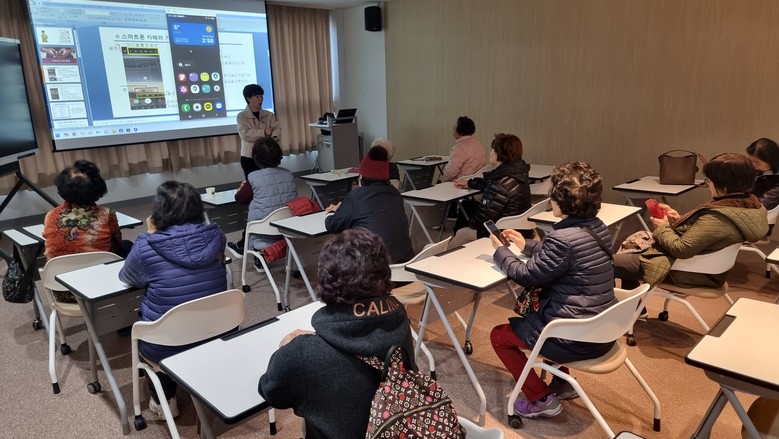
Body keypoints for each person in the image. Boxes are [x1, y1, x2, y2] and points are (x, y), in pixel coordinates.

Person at [258, 228, 416, 439]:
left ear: (325, 280)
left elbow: (271, 392)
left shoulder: (301, 354)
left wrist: (286, 349)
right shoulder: (399, 320)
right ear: (385, 273)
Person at [490, 162, 616, 419]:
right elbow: (570, 256)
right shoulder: (597, 227)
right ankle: (562, 383)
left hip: (574, 340)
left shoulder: (562, 239)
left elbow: (526, 275)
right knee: (556, 311)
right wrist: (526, 245)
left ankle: (540, 398)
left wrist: (500, 251)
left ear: (562, 200)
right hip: (603, 330)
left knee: (499, 336)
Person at [119, 181, 227, 419]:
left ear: (159, 210)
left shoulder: (146, 245)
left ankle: (164, 401)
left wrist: (149, 234)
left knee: (152, 338)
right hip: (217, 330)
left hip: (166, 343)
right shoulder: (217, 236)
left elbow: (127, 277)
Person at [613, 153, 768, 289]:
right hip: (710, 267)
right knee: (631, 246)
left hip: (687, 270)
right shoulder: (746, 207)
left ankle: (611, 307)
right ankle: (634, 304)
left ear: (724, 185)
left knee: (605, 263)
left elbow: (681, 249)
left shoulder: (718, 217)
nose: (708, 184)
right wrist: (679, 220)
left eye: (709, 180)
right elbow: (707, 234)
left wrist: (663, 227)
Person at [43, 160, 125, 302]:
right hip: (101, 289)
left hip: (62, 292)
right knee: (129, 247)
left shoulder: (51, 216)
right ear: (98, 188)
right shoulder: (107, 215)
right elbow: (118, 245)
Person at [324, 146, 414, 263]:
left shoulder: (355, 197)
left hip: (374, 266)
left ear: (361, 177)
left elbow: (333, 226)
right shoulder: (395, 194)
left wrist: (332, 211)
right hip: (405, 263)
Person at [448, 133, 532, 249]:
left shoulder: (499, 183)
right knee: (469, 206)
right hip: (522, 229)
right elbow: (489, 183)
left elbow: (481, 221)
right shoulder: (517, 173)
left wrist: (469, 222)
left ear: (500, 154)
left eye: (493, 150)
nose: (491, 152)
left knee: (462, 232)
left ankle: (446, 256)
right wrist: (469, 183)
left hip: (501, 233)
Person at [227, 137, 297, 258]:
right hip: (288, 226)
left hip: (263, 230)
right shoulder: (288, 174)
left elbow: (240, 199)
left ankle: (245, 248)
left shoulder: (253, 178)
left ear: (256, 158)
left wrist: (241, 188)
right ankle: (257, 256)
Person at [236, 84, 281, 178]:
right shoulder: (241, 116)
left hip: (267, 155)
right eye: (257, 96)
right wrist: (264, 132)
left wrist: (272, 139)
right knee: (253, 182)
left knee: (269, 180)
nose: (260, 99)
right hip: (248, 156)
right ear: (248, 98)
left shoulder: (269, 114)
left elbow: (276, 128)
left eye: (261, 96)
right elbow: (245, 134)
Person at [440, 116, 487, 182]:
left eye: (454, 128)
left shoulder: (459, 148)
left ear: (460, 131)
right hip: (477, 182)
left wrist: (442, 182)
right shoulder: (479, 144)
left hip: (461, 183)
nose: (452, 130)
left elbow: (450, 173)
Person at [746, 137, 779, 210]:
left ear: (770, 160)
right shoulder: (757, 171)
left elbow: (761, 204)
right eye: (750, 160)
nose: (753, 164)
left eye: (756, 161)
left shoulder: (776, 179)